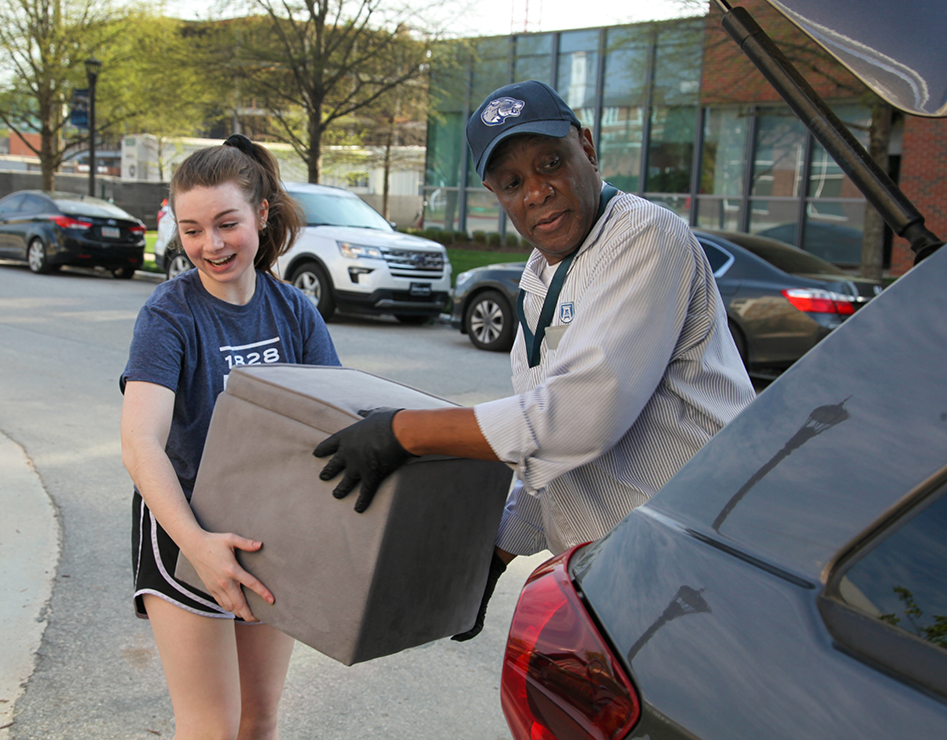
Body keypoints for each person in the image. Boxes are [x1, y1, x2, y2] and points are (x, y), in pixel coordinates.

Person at [315, 80, 756, 638]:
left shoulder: (644, 233)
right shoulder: (538, 277)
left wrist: (404, 433)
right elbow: (548, 455)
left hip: (694, 565)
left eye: (551, 162)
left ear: (588, 148)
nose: (537, 192)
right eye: (512, 182)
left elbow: (576, 418)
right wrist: (495, 553)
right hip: (612, 571)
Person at [121, 134, 340, 739]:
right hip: (182, 527)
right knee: (212, 727)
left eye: (226, 224)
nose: (209, 246)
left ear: (261, 214)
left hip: (267, 533)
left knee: (258, 719)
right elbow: (140, 443)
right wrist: (195, 542)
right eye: (191, 230)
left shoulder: (295, 311)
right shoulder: (169, 314)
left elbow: (334, 429)